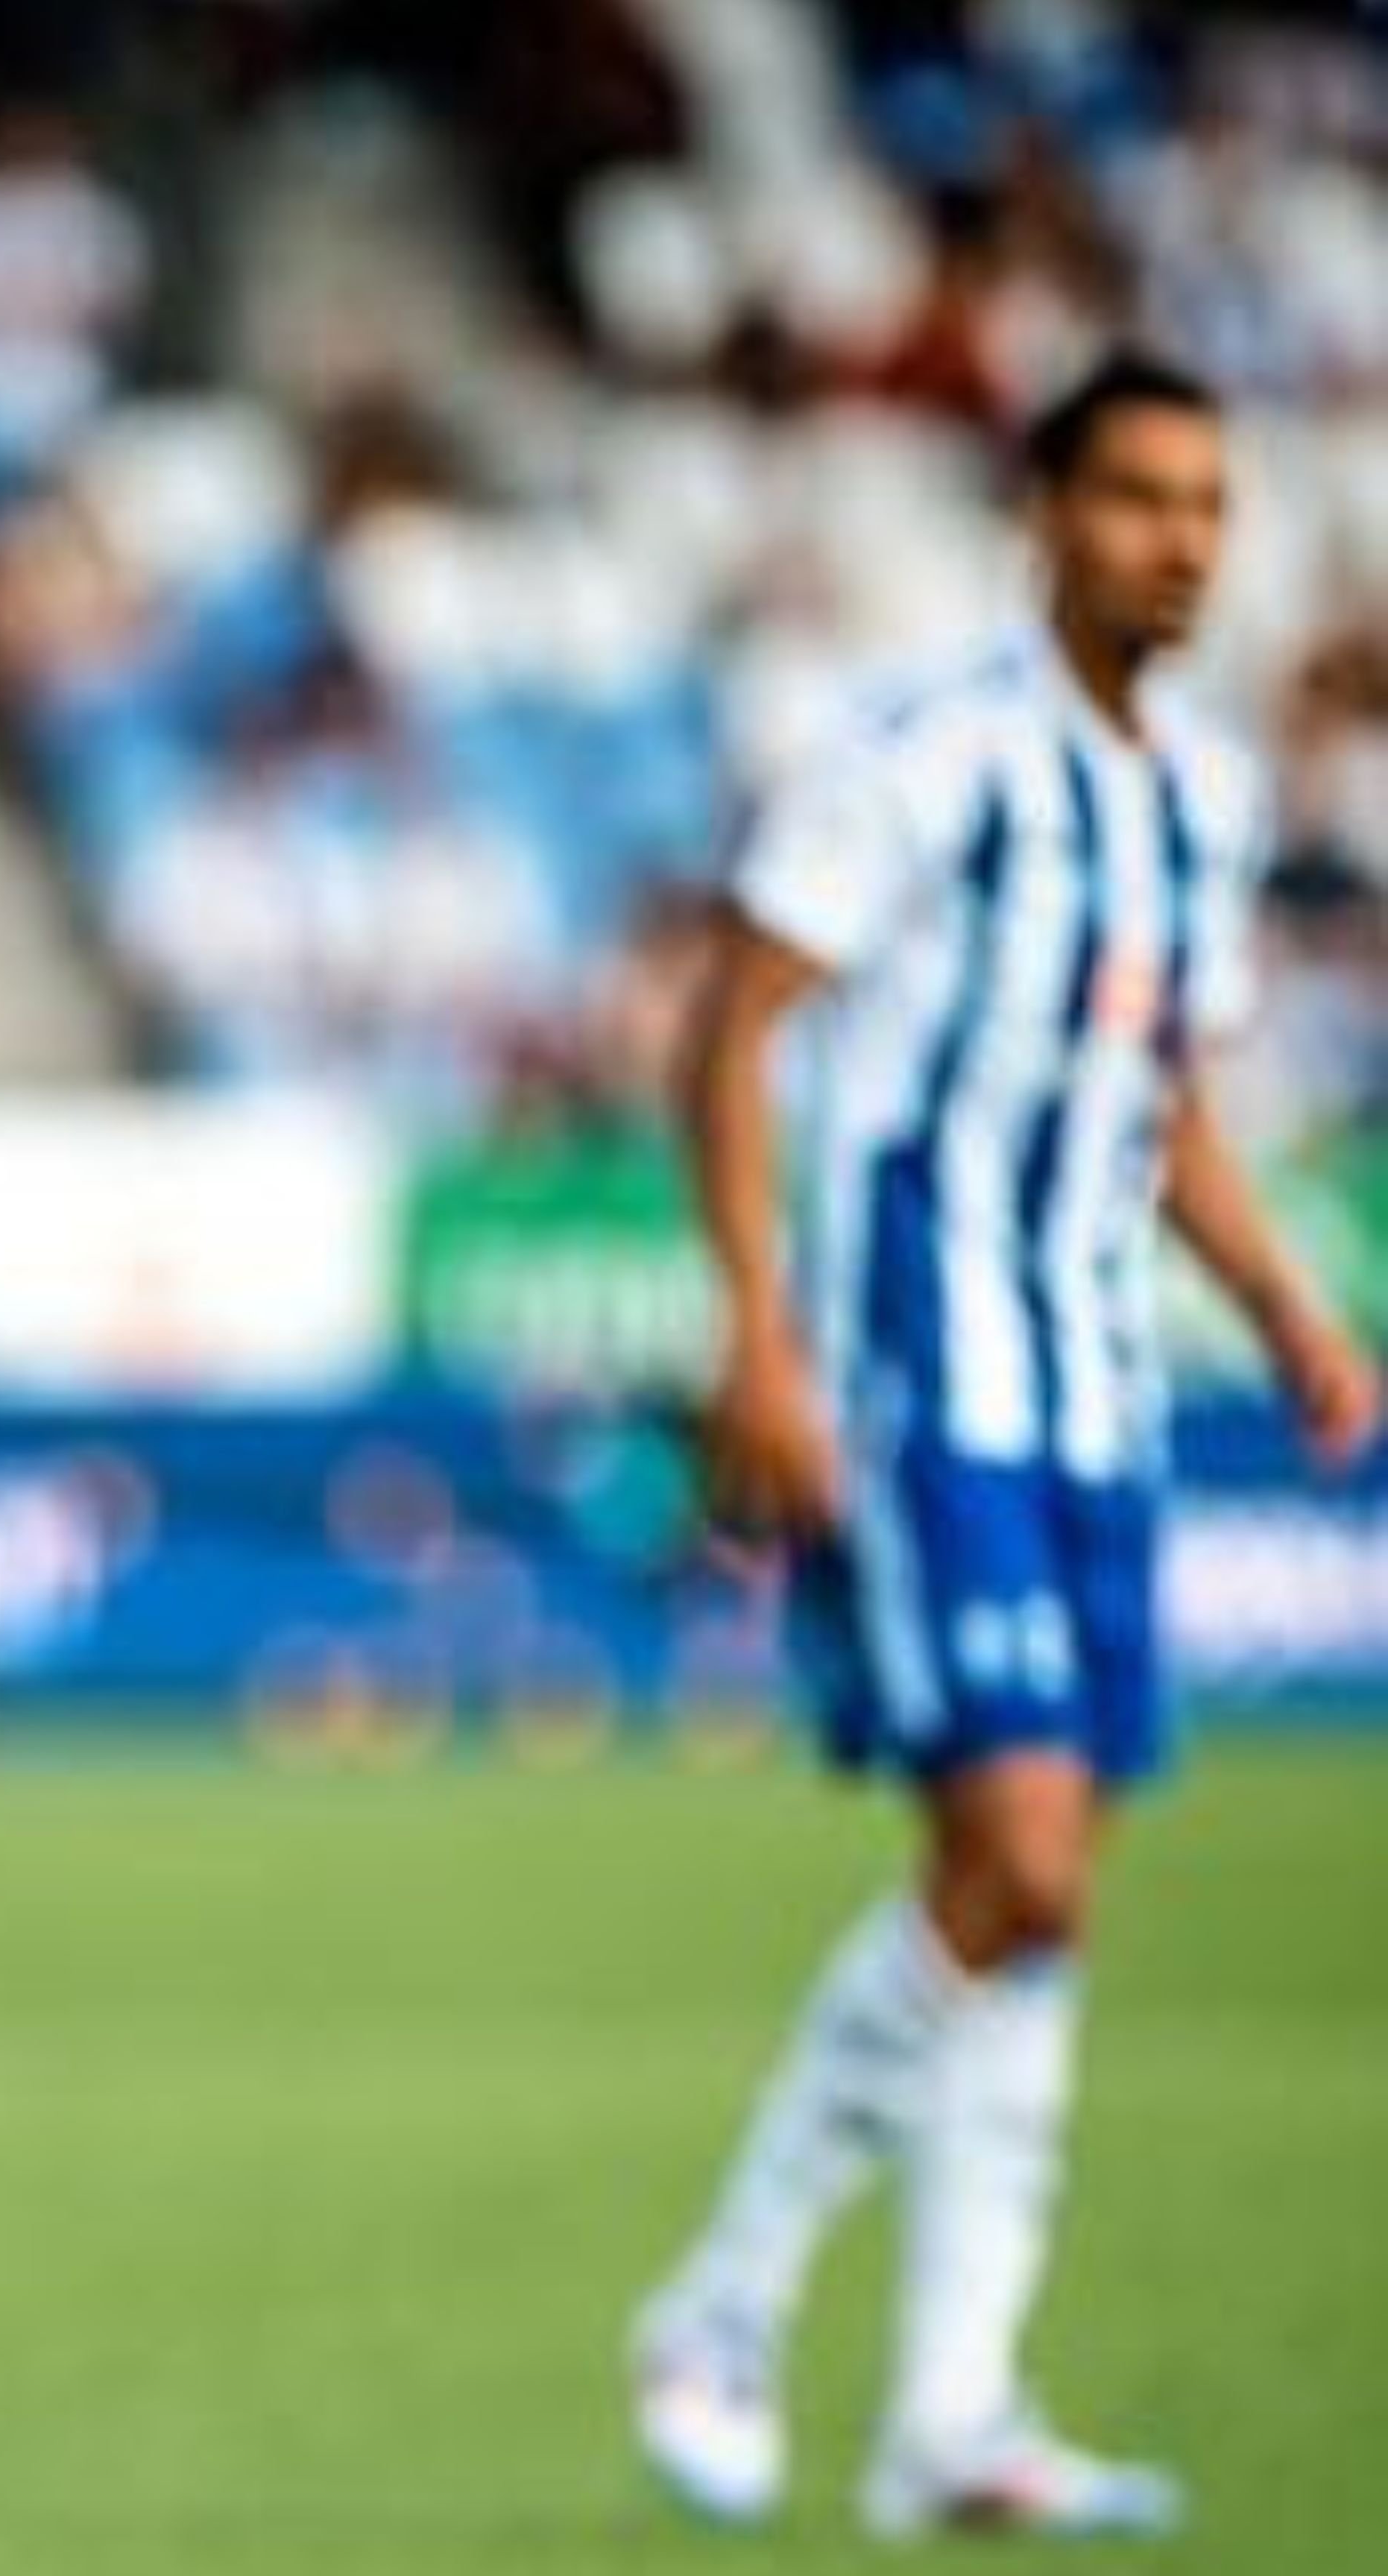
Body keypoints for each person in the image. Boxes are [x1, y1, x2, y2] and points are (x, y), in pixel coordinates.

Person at [635, 349, 1377, 2541]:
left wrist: (1287, 1306)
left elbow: (1167, 1104)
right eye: (1138, 495)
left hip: (1098, 1390)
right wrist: (759, 1336)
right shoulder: (928, 757)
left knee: (1038, 1909)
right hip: (919, 1371)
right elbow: (732, 1029)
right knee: (1020, 1858)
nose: (1182, 541)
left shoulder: (1203, 800)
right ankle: (723, 2304)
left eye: (1209, 504)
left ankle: (954, 2414)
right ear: (1044, 515)